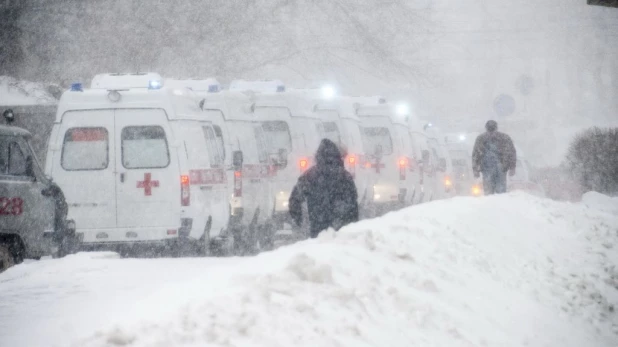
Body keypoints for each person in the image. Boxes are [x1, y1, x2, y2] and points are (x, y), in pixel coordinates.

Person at [289, 139, 359, 238]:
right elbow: (353, 204)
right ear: (338, 156)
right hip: (343, 231)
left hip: (318, 230)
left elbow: (295, 199)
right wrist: (353, 224)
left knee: (321, 252)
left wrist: (298, 219)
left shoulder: (309, 175)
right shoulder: (344, 176)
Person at [472, 120, 517, 195]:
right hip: (490, 168)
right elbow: (475, 155)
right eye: (490, 130)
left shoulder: (503, 138)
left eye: (492, 129)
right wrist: (475, 169)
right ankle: (492, 204)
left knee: (498, 191)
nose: (491, 132)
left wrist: (512, 167)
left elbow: (511, 152)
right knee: (492, 191)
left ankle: (496, 204)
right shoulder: (481, 139)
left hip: (498, 168)